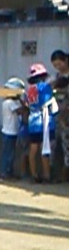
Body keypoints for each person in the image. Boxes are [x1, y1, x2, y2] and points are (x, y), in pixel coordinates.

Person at [23, 63, 57, 183]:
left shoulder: (28, 89)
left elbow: (26, 103)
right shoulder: (45, 87)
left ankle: (34, 175)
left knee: (33, 148)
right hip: (45, 120)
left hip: (33, 121)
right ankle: (46, 176)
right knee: (45, 149)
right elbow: (48, 102)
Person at [0, 77, 27, 180]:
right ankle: (5, 173)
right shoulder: (9, 103)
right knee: (8, 154)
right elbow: (21, 110)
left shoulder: (11, 102)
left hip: (11, 131)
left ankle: (7, 172)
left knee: (9, 153)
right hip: (9, 132)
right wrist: (26, 104)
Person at [50, 50, 69, 181]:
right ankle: (52, 173)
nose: (58, 67)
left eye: (59, 64)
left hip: (66, 117)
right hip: (56, 115)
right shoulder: (55, 78)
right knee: (52, 144)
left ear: (66, 61)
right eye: (55, 65)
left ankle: (65, 174)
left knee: (67, 145)